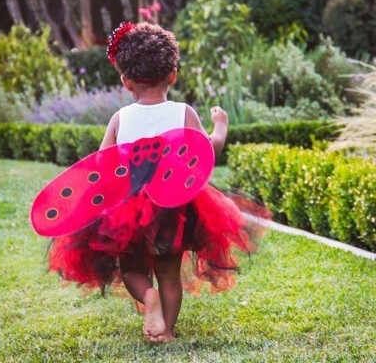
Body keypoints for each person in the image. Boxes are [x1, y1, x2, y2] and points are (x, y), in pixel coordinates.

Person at [47, 21, 265, 343]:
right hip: (173, 207)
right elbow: (208, 149)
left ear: (125, 82)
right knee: (169, 272)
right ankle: (168, 331)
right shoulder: (183, 112)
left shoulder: (120, 118)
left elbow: (102, 163)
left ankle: (147, 296)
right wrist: (221, 125)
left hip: (126, 211)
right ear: (172, 74)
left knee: (132, 268)